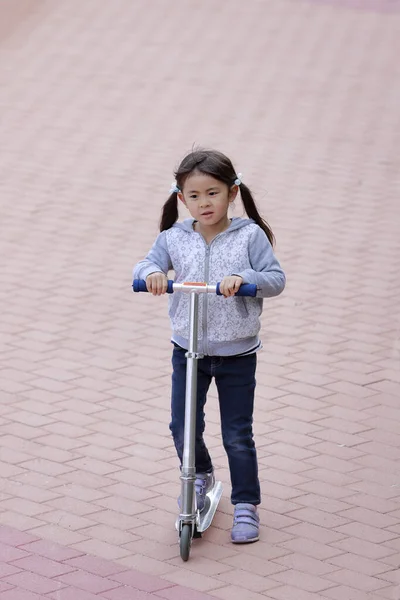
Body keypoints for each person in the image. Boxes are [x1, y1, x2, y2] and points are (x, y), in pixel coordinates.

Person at [133, 149, 286, 543]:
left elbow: (275, 279)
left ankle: (247, 505)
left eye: (213, 193)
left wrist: (244, 276)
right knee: (182, 424)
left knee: (237, 432)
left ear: (232, 193)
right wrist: (151, 274)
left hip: (237, 353)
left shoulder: (249, 236)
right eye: (196, 195)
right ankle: (199, 475)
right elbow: (145, 264)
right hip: (188, 350)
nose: (205, 203)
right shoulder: (174, 238)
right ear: (182, 198)